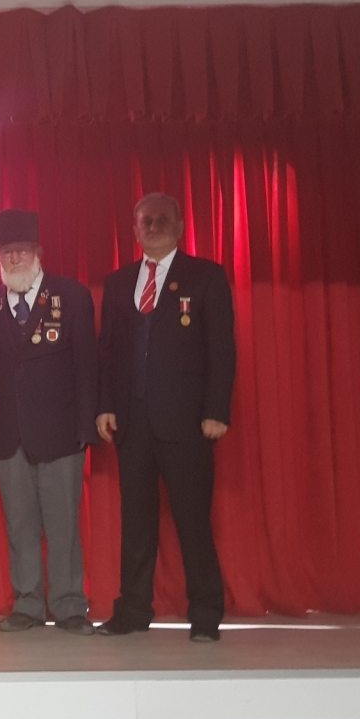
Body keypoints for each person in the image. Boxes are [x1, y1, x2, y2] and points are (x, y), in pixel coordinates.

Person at [95, 192, 236, 643]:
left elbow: (222, 349)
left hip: (188, 422)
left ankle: (206, 614)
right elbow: (108, 351)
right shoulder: (119, 282)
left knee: (193, 521)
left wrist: (216, 410)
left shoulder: (206, 276)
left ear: (179, 226)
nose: (153, 227)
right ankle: (134, 610)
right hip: (131, 423)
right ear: (134, 229)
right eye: (145, 221)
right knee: (136, 523)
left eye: (161, 220)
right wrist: (105, 405)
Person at [0, 209, 98, 635]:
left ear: (38, 252)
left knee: (63, 525)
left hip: (61, 432)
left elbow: (87, 365)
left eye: (22, 250)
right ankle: (27, 603)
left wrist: (87, 427)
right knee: (20, 525)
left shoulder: (72, 295)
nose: (15, 259)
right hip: (7, 433)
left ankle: (69, 606)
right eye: (6, 252)